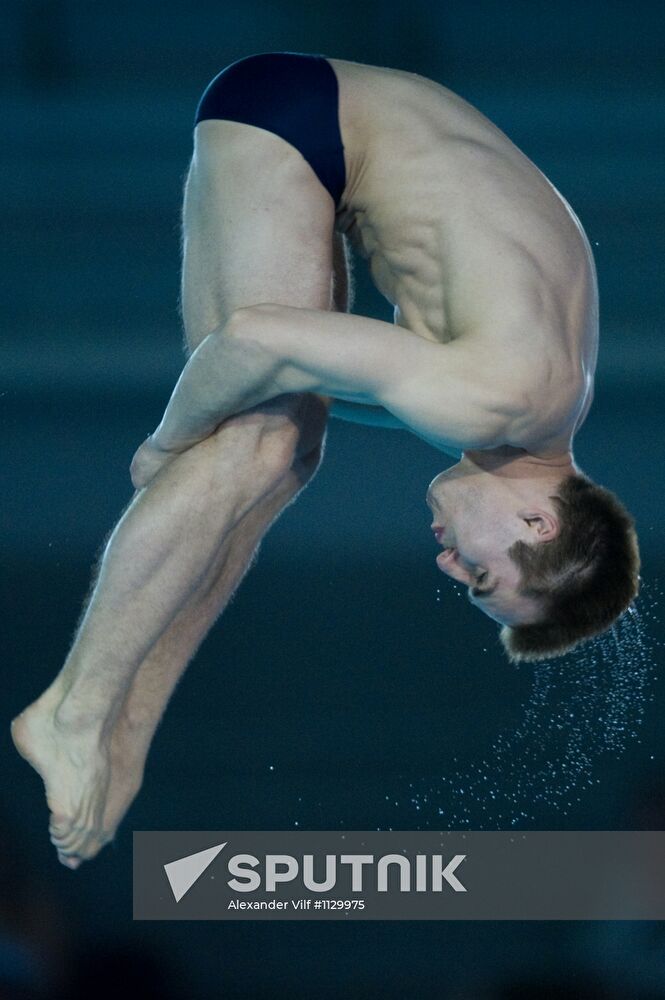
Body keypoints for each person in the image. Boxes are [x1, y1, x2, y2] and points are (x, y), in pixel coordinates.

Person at [11, 52, 639, 868]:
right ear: (536, 521)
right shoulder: (490, 401)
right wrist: (165, 445)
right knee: (257, 442)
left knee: (285, 449)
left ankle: (126, 727)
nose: (447, 565)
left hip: (329, 126)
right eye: (479, 575)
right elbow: (251, 341)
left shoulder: (536, 409)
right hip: (302, 117)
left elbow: (304, 380)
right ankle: (73, 710)